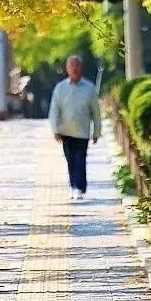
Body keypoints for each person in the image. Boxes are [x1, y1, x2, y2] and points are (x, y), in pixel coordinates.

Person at [49, 55, 101, 200]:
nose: (74, 68)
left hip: (82, 132)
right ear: (67, 68)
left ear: (81, 68)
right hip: (66, 132)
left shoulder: (89, 88)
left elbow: (95, 112)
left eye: (77, 65)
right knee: (71, 160)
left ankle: (80, 187)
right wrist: (55, 130)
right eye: (72, 66)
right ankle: (74, 186)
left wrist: (97, 132)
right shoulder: (60, 88)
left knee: (80, 159)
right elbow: (54, 111)